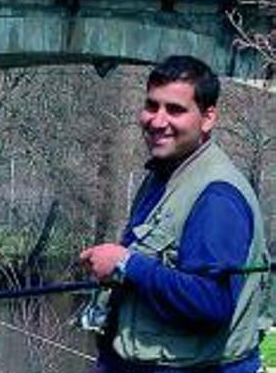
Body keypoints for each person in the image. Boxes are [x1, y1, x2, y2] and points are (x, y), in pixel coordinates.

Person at [79, 55, 272, 373]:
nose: (157, 120)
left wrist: (125, 264)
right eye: (152, 106)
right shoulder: (163, 174)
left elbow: (213, 302)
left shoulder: (217, 197)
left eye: (175, 110)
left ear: (208, 118)